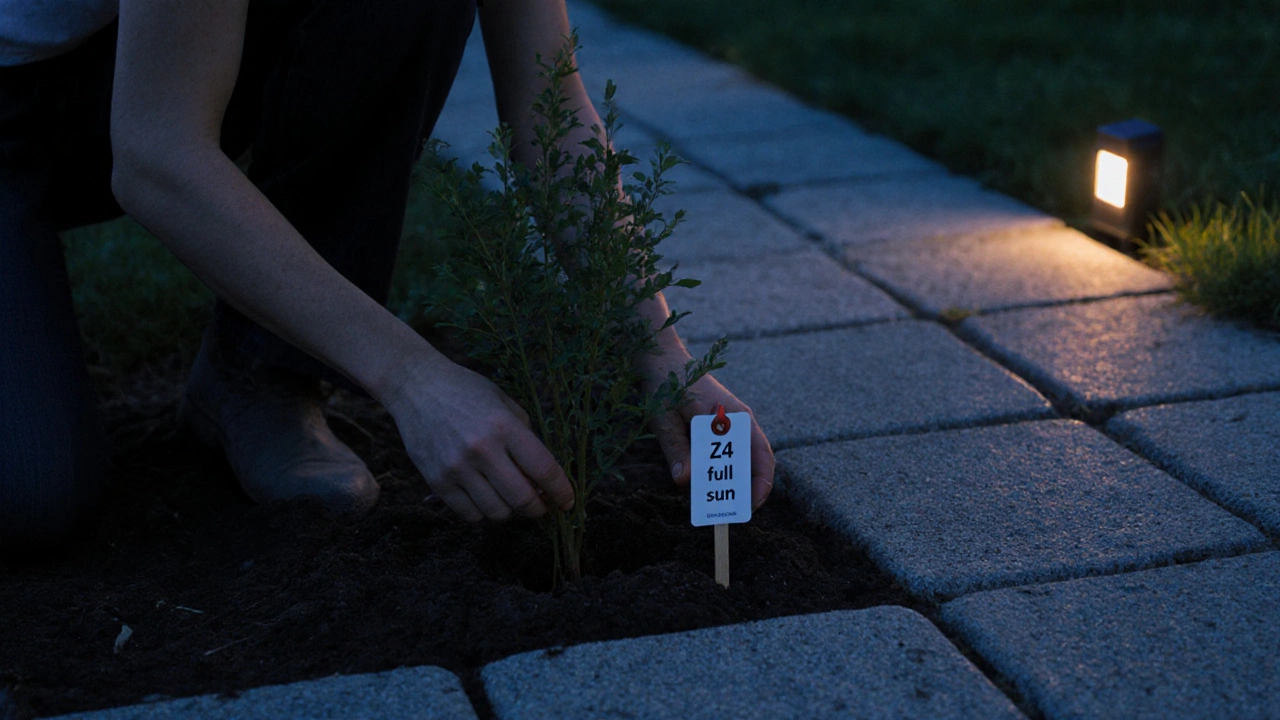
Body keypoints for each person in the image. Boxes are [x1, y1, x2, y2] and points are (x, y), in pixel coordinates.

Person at [0, 0, 774, 547]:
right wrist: (412, 377)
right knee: (34, 493)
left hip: (130, 58)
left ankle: (258, 376)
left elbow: (552, 105)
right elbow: (156, 156)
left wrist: (664, 354)